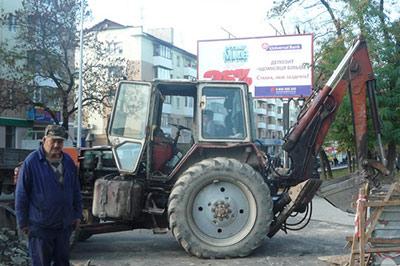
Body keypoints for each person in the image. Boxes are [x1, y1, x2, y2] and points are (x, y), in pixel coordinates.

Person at [15, 125, 82, 266]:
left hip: (63, 227)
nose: (57, 145)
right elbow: (21, 194)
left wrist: (77, 214)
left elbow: (75, 190)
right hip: (40, 227)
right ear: (44, 139)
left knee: (62, 262)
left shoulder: (68, 162)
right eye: (53, 141)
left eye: (60, 141)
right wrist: (23, 222)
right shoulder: (31, 162)